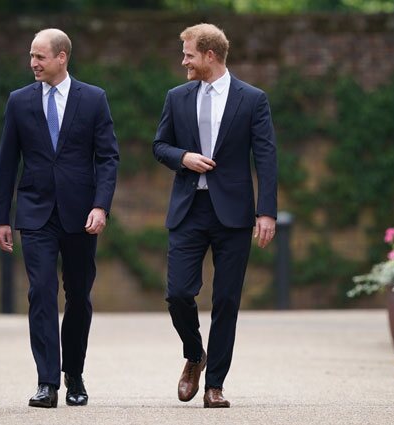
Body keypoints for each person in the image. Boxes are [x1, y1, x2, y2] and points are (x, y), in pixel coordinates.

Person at [152, 23, 277, 408]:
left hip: (234, 214)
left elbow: (266, 157)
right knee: (177, 293)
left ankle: (215, 386)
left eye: (188, 54)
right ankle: (194, 354)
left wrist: (266, 212)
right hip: (189, 209)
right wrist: (183, 157)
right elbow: (160, 145)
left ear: (210, 55)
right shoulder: (177, 97)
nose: (183, 60)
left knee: (226, 300)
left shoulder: (252, 99)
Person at [0, 28, 119, 408]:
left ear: (62, 57)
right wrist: (2, 217)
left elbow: (108, 157)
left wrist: (101, 205)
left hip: (81, 214)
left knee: (78, 296)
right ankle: (47, 382)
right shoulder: (18, 101)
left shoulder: (93, 99)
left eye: (40, 56)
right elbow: (6, 163)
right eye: (31, 56)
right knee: (41, 293)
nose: (32, 63)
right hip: (35, 214)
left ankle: (74, 374)